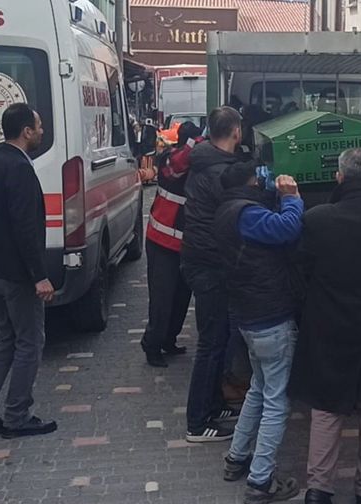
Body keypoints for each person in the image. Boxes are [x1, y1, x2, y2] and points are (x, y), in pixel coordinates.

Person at [289, 148, 361, 504]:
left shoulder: (318, 219)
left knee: (326, 408)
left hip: (329, 326)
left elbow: (301, 271)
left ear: (339, 177)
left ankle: (318, 489)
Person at [214, 162, 303, 503]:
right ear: (251, 182)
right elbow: (287, 229)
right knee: (277, 401)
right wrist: (292, 197)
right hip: (270, 316)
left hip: (249, 316)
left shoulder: (226, 209)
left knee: (259, 389)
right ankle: (261, 480)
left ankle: (237, 457)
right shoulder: (246, 214)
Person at [0, 103, 57, 439]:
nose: (41, 131)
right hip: (17, 275)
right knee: (30, 341)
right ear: (26, 131)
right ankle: (17, 415)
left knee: (6, 337)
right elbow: (25, 227)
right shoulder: (20, 169)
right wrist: (39, 275)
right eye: (38, 126)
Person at [181, 106, 243, 443]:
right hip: (211, 263)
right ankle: (197, 422)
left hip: (199, 259)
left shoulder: (203, 161)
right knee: (210, 343)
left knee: (219, 339)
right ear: (236, 132)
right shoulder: (222, 172)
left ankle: (215, 404)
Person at [140, 121, 203, 368]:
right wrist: (197, 143)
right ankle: (152, 344)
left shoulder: (190, 162)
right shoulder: (170, 160)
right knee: (163, 298)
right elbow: (176, 166)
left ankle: (168, 340)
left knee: (181, 297)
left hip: (182, 243)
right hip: (162, 242)